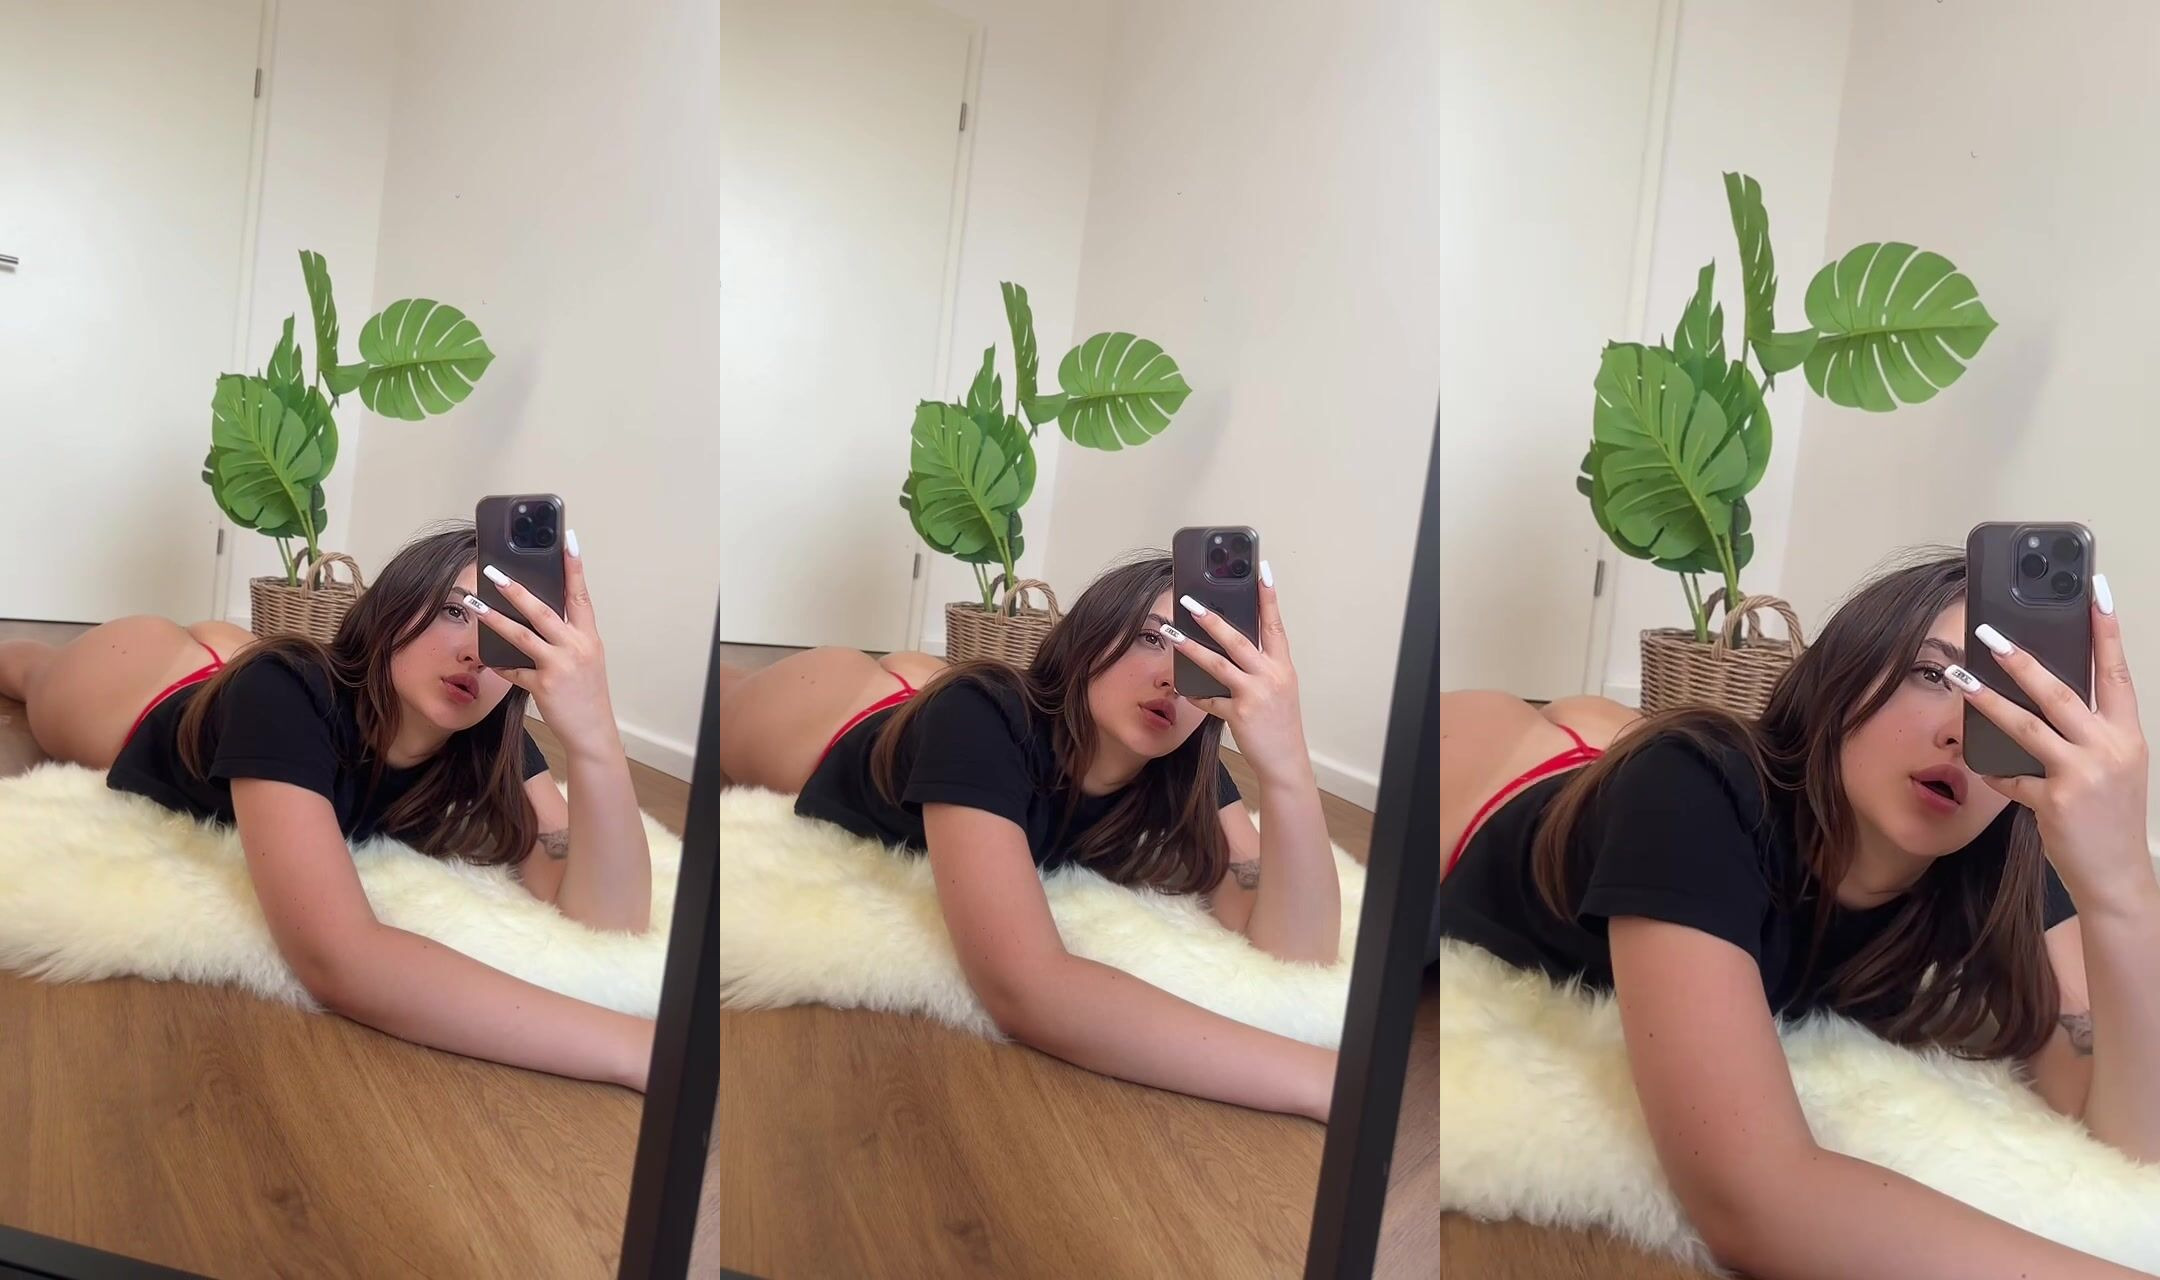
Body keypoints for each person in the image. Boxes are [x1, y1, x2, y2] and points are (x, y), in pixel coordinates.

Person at [1435, 551, 2160, 1279]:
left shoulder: (2007, 853)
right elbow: (1752, 1201)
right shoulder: (1689, 788)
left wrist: (2121, 880)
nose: (1958, 732)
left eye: (2003, 709)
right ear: (1848, 669)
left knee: (1625, 735)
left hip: (1633, 766)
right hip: (1504, 776)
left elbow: (2131, 1135)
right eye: (1935, 675)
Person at [0, 523, 660, 1092]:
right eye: (456, 611)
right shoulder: (284, 692)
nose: (472, 653)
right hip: (144, 685)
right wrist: (635, 1048)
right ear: (395, 606)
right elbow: (338, 957)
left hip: (242, 666)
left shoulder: (493, 742)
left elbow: (609, 918)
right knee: (30, 672)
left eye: (503, 638)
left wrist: (593, 730)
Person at [719, 552, 1346, 1122]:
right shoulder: (979, 716)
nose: (1171, 680)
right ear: (1092, 634)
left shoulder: (1190, 773)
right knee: (719, 690)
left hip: (933, 692)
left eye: (1197, 661)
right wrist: (1321, 1080)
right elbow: (1023, 986)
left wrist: (1286, 761)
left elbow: (1298, 951)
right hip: (838, 714)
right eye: (1153, 638)